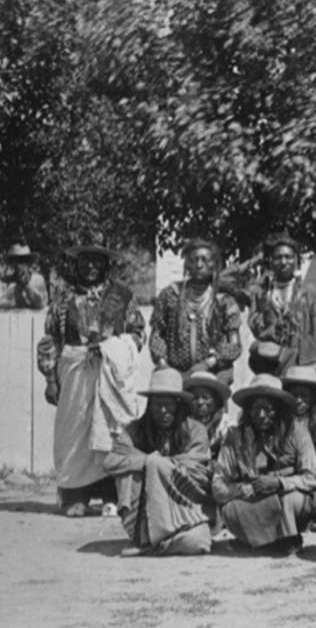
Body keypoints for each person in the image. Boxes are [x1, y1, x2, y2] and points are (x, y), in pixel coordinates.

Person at [37, 243, 145, 517]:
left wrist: (113, 348)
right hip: (74, 372)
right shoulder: (64, 299)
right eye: (85, 261)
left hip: (110, 373)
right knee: (74, 433)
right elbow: (50, 339)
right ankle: (75, 495)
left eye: (97, 261)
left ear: (106, 265)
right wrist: (50, 377)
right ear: (77, 265)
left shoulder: (122, 296)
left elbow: (138, 333)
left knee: (109, 431)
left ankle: (110, 495)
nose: (90, 267)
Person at [103, 369, 213, 556]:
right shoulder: (134, 430)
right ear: (149, 405)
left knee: (199, 543)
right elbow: (111, 461)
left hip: (184, 508)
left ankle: (156, 544)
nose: (163, 411)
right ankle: (148, 538)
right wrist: (149, 462)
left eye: (169, 405)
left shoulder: (196, 430)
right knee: (130, 472)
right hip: (145, 515)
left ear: (179, 406)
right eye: (157, 405)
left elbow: (197, 470)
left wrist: (156, 464)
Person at [212, 373, 316, 555]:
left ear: (280, 410)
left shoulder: (298, 432)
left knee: (289, 499)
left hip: (289, 500)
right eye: (256, 409)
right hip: (253, 499)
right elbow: (218, 485)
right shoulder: (234, 437)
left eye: (268, 409)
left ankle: (287, 538)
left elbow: (314, 479)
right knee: (230, 509)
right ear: (248, 411)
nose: (261, 416)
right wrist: (243, 488)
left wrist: (279, 483)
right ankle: (266, 541)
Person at [148, 238, 242, 385]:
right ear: (186, 265)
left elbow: (234, 345)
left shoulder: (224, 301)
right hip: (174, 370)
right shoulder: (170, 295)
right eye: (193, 260)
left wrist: (208, 363)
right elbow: (157, 334)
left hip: (213, 371)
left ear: (214, 264)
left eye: (205, 260)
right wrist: (163, 364)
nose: (199, 265)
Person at [230, 233, 316, 373]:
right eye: (278, 257)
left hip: (301, 368)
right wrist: (255, 260)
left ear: (296, 261)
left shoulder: (309, 294)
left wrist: (287, 354)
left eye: (288, 257)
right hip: (269, 367)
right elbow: (221, 281)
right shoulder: (260, 294)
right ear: (270, 261)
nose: (283, 262)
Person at [183, 371, 231, 461]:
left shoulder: (225, 425)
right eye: (195, 397)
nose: (200, 402)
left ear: (216, 401)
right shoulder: (182, 423)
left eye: (205, 397)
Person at [0, 242, 48, 309]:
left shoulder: (37, 279)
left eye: (23, 260)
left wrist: (26, 286)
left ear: (28, 263)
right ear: (12, 263)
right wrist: (11, 304)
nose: (18, 265)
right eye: (16, 260)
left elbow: (41, 304)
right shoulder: (4, 282)